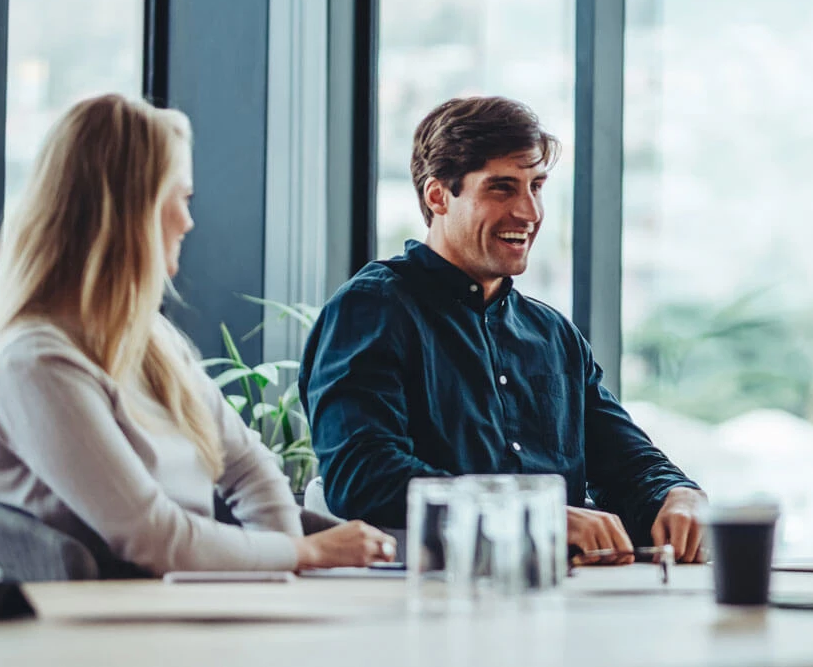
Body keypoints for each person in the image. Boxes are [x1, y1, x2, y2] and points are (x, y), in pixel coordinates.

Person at [0, 94, 394, 575]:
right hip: (100, 634)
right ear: (134, 211)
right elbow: (152, 537)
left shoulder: (149, 338)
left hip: (176, 607)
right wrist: (305, 552)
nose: (189, 221)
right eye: (183, 198)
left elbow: (246, 465)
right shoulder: (36, 364)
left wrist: (283, 565)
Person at [301, 96, 706, 564]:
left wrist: (677, 493)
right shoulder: (372, 309)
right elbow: (364, 476)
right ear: (438, 196)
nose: (529, 212)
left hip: (566, 599)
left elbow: (627, 461)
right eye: (502, 189)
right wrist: (532, 515)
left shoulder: (553, 334)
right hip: (426, 603)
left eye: (536, 186)